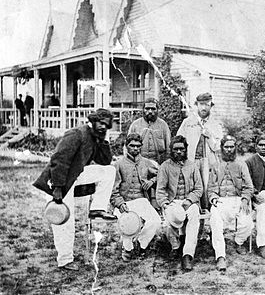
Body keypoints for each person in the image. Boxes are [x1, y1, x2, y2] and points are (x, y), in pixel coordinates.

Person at [33, 109, 117, 271]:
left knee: (109, 171)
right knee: (65, 221)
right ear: (92, 121)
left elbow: (105, 161)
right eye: (100, 123)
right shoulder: (76, 134)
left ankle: (97, 209)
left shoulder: (96, 138)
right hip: (58, 181)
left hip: (74, 177)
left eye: (106, 125)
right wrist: (57, 188)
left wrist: (104, 141)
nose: (103, 127)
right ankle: (65, 260)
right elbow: (59, 159)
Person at [111, 133, 162, 262]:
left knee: (156, 221)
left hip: (141, 201)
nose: (135, 149)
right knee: (128, 222)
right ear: (126, 146)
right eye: (132, 146)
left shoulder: (146, 163)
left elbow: (162, 174)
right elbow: (113, 189)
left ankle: (142, 244)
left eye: (138, 146)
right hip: (124, 201)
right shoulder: (118, 164)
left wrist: (152, 181)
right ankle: (127, 248)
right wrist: (119, 203)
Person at [156, 135, 203, 272]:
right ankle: (175, 246)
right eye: (175, 149)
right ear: (171, 150)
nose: (178, 152)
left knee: (194, 215)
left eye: (181, 149)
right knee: (170, 218)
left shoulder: (192, 166)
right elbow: (161, 189)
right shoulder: (165, 166)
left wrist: (189, 200)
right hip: (172, 201)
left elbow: (198, 188)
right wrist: (165, 203)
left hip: (189, 200)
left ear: (186, 150)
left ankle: (188, 254)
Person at [208, 135, 254, 271]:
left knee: (247, 222)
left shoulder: (241, 165)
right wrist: (214, 198)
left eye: (231, 147)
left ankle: (239, 242)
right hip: (221, 200)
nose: (229, 150)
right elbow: (211, 187)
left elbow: (249, 186)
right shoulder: (215, 165)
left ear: (235, 148)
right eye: (226, 147)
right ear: (222, 148)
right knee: (215, 221)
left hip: (238, 199)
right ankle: (220, 256)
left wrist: (245, 199)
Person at [177, 92, 223, 209]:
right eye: (201, 104)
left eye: (207, 105)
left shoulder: (215, 124)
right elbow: (179, 141)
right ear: (197, 105)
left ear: (210, 106)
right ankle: (194, 213)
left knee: (207, 188)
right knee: (192, 187)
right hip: (191, 161)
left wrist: (209, 135)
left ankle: (207, 215)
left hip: (208, 162)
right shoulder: (187, 123)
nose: (204, 107)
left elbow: (218, 146)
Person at [128, 98, 171, 164]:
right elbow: (127, 146)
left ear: (157, 110)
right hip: (139, 164)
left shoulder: (163, 125)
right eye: (147, 109)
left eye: (153, 109)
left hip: (159, 164)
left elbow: (168, 147)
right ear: (143, 110)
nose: (150, 111)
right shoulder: (135, 125)